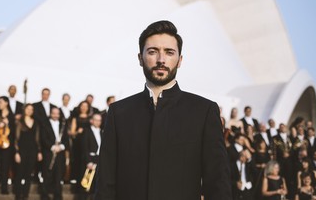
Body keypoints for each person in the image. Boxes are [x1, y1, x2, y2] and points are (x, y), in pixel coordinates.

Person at [96, 20, 231, 199]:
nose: (161, 60)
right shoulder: (118, 112)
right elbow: (105, 182)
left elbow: (217, 182)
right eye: (152, 52)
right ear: (140, 58)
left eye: (169, 52)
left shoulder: (204, 111)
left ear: (180, 60)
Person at [39, 107, 68, 200]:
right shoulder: (44, 124)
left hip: (60, 154)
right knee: (47, 175)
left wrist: (61, 147)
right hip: (48, 153)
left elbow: (66, 140)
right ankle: (44, 195)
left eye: (57, 114)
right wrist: (52, 147)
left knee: (58, 175)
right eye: (54, 113)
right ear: (50, 114)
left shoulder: (63, 125)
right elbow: (43, 138)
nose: (55, 115)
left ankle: (58, 196)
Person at [14, 103, 42, 200]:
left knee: (28, 173)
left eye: (31, 109)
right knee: (19, 173)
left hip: (33, 151)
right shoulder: (19, 122)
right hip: (21, 150)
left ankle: (25, 195)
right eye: (28, 109)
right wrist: (16, 152)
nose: (30, 111)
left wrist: (39, 152)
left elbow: (37, 139)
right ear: (24, 110)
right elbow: (16, 139)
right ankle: (18, 195)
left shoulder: (35, 123)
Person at [77, 113, 102, 200]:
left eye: (99, 120)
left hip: (99, 160)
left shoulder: (102, 131)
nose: (98, 122)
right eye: (96, 120)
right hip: (89, 160)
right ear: (91, 120)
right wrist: (88, 161)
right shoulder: (86, 131)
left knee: (96, 185)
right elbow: (84, 147)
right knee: (86, 184)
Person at [69, 100, 91, 186]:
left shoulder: (91, 118)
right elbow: (72, 132)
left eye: (86, 106)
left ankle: (86, 183)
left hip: (88, 143)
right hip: (78, 143)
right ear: (80, 107)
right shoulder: (76, 118)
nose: (84, 108)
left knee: (86, 161)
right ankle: (77, 181)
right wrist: (78, 131)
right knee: (77, 160)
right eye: (82, 106)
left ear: (88, 108)